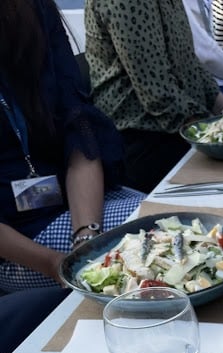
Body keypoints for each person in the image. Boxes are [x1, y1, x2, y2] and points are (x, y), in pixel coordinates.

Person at [0, 0, 142, 293]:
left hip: (78, 204)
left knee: (182, 217)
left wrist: (86, 239)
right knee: (154, 235)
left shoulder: (32, 9)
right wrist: (56, 263)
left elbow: (77, 128)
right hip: (19, 245)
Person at [85, 0, 223, 194]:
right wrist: (222, 134)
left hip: (180, 127)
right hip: (143, 139)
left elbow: (189, 62)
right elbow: (157, 92)